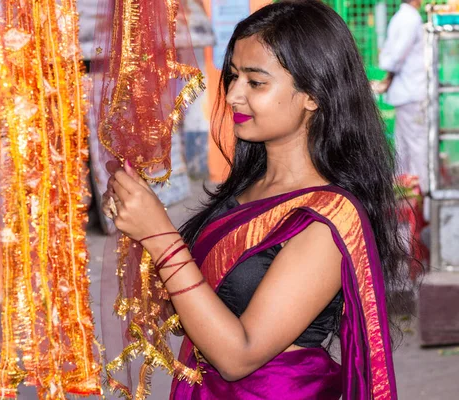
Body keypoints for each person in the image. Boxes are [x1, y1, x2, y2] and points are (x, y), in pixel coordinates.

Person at [103, 1, 410, 398]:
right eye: (232, 77)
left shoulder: (328, 218)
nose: (232, 95)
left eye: (255, 82)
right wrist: (139, 227)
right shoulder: (245, 191)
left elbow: (238, 355)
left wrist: (161, 237)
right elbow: (197, 312)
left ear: (312, 94)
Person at [376, 0, 427, 193]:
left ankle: (411, 196)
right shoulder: (410, 18)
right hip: (411, 93)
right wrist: (388, 78)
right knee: (415, 148)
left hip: (407, 92)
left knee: (405, 147)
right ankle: (420, 198)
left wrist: (387, 80)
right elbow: (397, 57)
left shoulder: (402, 17)